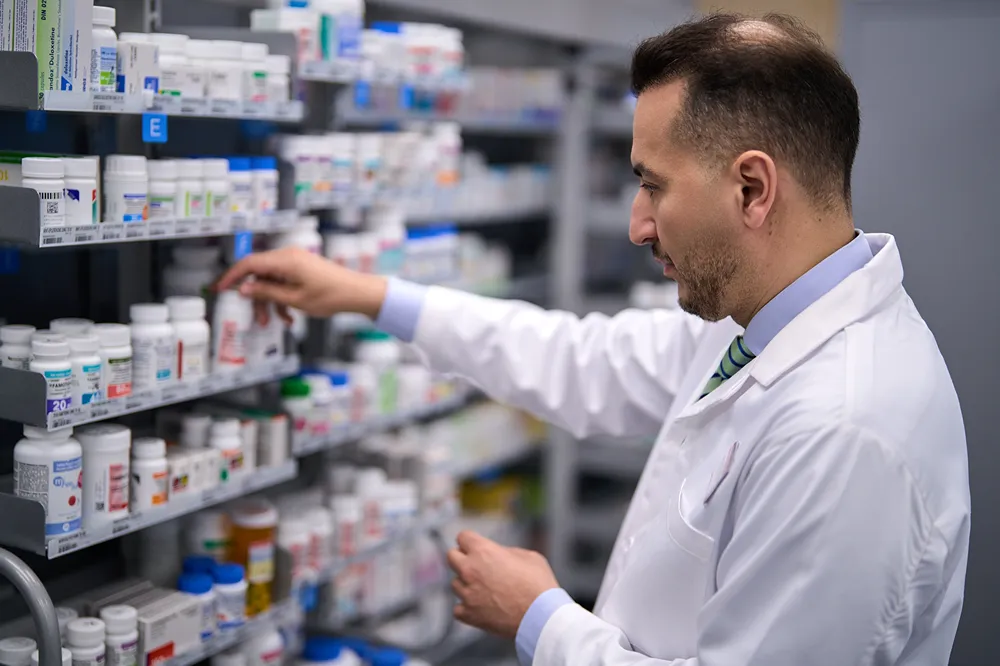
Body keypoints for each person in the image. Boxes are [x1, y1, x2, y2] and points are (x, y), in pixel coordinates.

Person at [218, 13, 970, 666]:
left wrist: (538, 620)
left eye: (654, 185)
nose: (640, 223)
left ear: (752, 188)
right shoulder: (759, 321)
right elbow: (582, 360)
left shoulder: (843, 433)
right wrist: (366, 294)